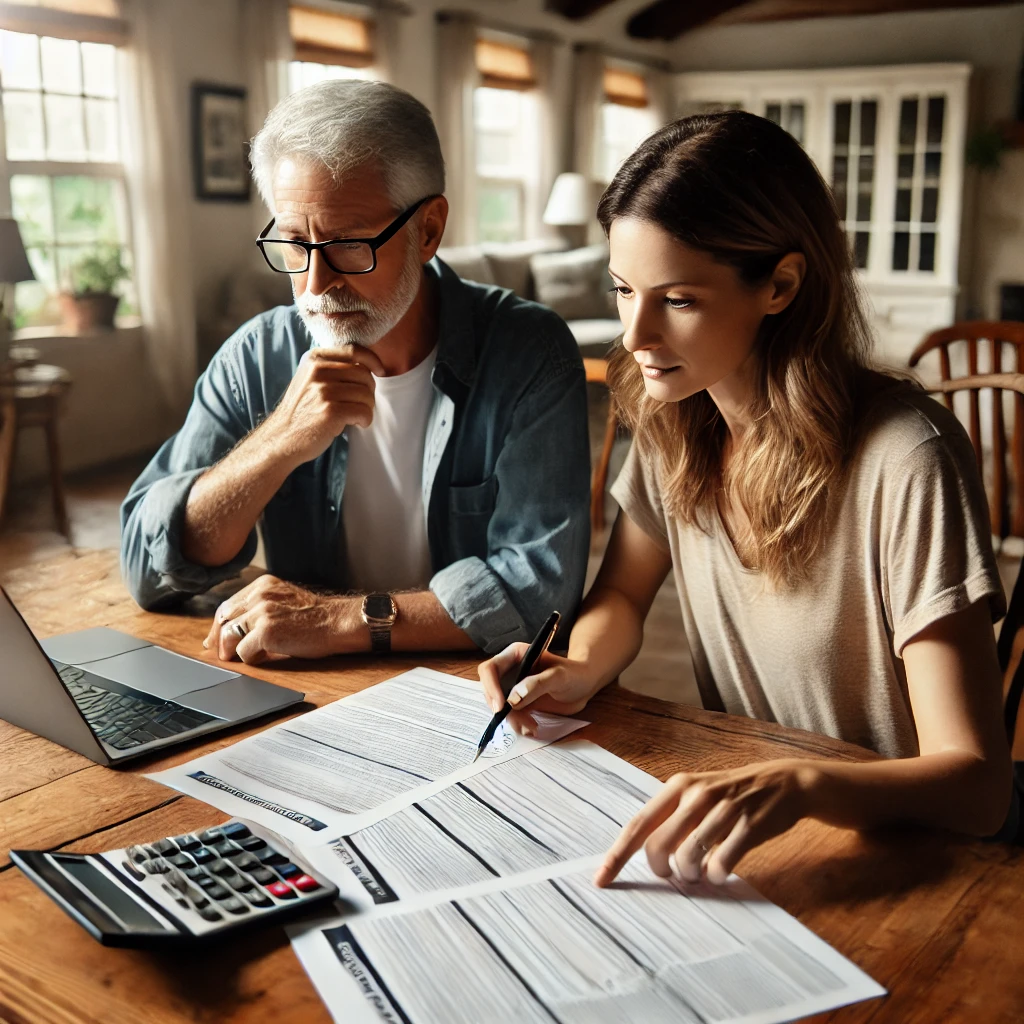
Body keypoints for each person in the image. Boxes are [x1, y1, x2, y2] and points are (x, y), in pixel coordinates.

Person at [480, 111, 1012, 887]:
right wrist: (575, 668)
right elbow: (623, 596)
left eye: (680, 299)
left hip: (914, 855)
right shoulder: (677, 422)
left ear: (782, 286)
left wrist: (804, 782)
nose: (635, 333)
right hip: (758, 836)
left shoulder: (907, 458)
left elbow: (978, 787)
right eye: (624, 290)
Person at [120, 80, 590, 663]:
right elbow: (146, 567)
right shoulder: (256, 357)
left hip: (483, 693)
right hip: (316, 689)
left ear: (429, 230)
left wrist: (338, 620)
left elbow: (540, 593)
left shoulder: (530, 353)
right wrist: (279, 441)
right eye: (294, 243)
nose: (316, 284)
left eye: (348, 244)